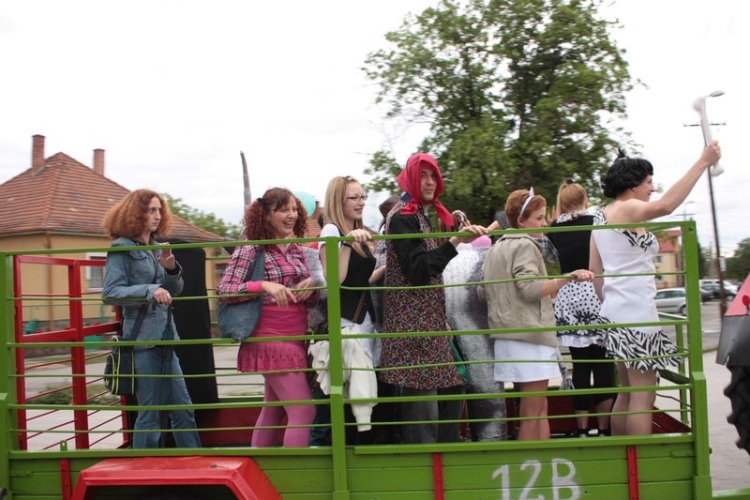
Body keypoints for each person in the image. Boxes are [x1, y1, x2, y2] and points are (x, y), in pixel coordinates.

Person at [590, 142, 721, 436]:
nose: (652, 187)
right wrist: (702, 162)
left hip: (614, 311)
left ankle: (624, 460)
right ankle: (639, 465)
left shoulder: (601, 215)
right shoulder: (629, 207)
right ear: (633, 183)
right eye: (648, 181)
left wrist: (611, 306)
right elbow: (666, 206)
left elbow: (596, 271)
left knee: (627, 391)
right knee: (643, 394)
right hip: (636, 312)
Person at [379, 152, 487, 444]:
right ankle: (425, 469)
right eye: (423, 175)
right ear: (411, 178)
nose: (429, 182)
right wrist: (455, 242)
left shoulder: (418, 214)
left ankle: (443, 459)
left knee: (454, 387)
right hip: (413, 328)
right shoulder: (403, 216)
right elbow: (418, 271)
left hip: (428, 325)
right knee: (422, 410)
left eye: (433, 176)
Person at [479, 188, 594, 441]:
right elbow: (530, 289)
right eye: (539, 218)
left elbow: (482, 292)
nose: (545, 223)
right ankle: (529, 470)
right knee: (534, 411)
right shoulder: (525, 245)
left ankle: (539, 466)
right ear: (521, 221)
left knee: (537, 409)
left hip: (509, 338)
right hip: (529, 336)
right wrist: (566, 277)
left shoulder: (497, 247)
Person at [217, 187, 317, 447]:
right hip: (269, 339)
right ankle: (294, 476)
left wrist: (310, 287)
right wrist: (261, 285)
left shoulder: (295, 248)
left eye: (294, 209)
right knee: (303, 411)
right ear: (266, 215)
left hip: (295, 338)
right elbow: (225, 290)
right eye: (283, 210)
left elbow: (304, 290)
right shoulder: (252, 247)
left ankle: (262, 468)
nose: (291, 215)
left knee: (273, 409)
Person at [101, 189, 201, 449]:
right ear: (136, 213)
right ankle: (144, 470)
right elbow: (111, 293)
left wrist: (170, 269)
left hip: (166, 336)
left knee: (183, 410)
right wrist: (149, 290)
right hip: (143, 341)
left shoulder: (156, 248)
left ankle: (194, 464)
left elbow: (174, 291)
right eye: (151, 210)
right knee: (151, 414)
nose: (157, 216)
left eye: (159, 210)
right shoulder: (121, 248)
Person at [309, 175, 385, 445]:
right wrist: (346, 242)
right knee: (338, 396)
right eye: (353, 197)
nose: (361, 202)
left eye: (362, 196)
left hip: (362, 322)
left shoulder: (357, 232)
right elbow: (335, 280)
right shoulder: (332, 231)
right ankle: (321, 452)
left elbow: (360, 282)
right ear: (338, 201)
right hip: (343, 324)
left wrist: (387, 268)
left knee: (355, 394)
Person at [547, 180, 613, 437]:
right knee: (604, 366)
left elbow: (552, 256)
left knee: (581, 365)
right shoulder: (597, 221)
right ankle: (604, 428)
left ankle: (582, 429)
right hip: (596, 291)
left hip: (569, 295)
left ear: (562, 202)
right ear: (585, 199)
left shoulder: (555, 227)